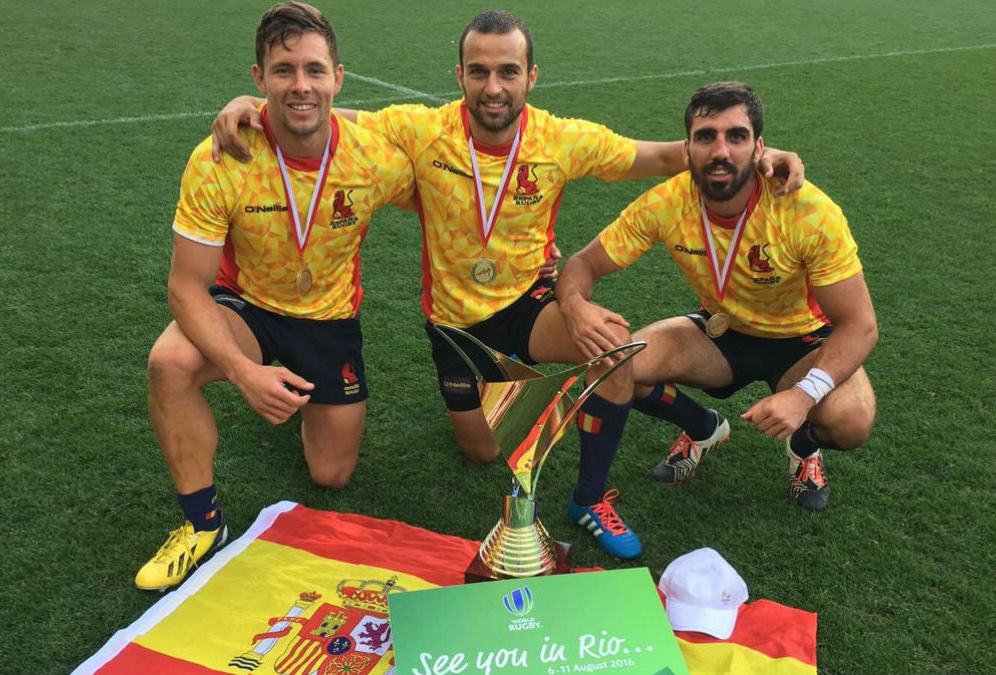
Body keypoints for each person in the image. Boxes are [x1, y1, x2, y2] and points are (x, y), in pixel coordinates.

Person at [208, 12, 806, 559]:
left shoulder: (562, 140)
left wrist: (758, 152)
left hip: (529, 305)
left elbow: (662, 155)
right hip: (453, 327)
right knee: (481, 454)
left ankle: (592, 497)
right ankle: (690, 421)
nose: (494, 87)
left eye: (508, 71)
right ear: (461, 75)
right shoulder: (421, 130)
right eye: (480, 71)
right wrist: (249, 103)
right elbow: (322, 115)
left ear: (531, 76)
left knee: (615, 353)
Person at [135, 2, 415, 592]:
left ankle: (299, 394)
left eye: (315, 70)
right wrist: (241, 371)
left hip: (330, 318)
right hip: (247, 309)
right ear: (258, 79)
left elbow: (452, 180)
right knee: (171, 363)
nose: (301, 85)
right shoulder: (222, 157)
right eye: (283, 70)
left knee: (331, 476)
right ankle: (202, 525)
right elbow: (186, 287)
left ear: (339, 77)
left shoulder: (376, 154)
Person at [558, 81, 877, 515]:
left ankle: (803, 449)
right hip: (719, 332)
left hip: (803, 343)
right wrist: (575, 305)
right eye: (706, 137)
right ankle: (702, 427)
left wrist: (803, 397)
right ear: (686, 149)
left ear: (759, 148)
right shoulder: (666, 203)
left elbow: (860, 325)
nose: (721, 150)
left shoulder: (807, 211)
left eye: (736, 136)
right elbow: (581, 264)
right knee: (614, 361)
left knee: (851, 421)